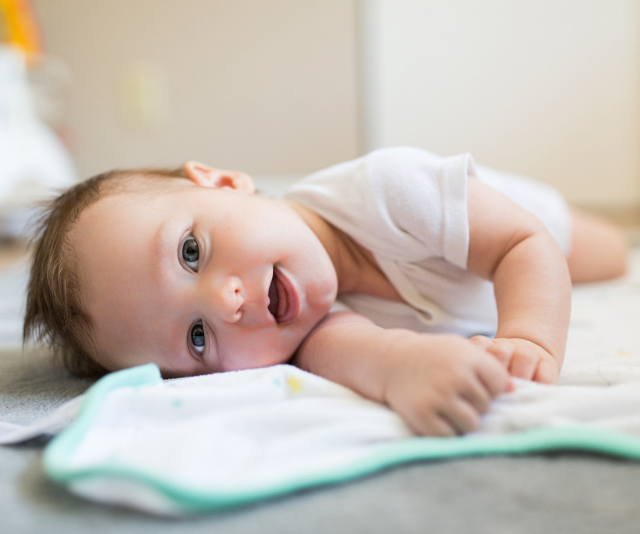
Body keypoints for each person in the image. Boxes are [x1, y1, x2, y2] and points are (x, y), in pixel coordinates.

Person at [23, 147, 628, 436]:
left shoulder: (392, 192)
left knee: (608, 256)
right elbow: (369, 356)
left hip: (518, 226)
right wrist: (409, 369)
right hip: (494, 266)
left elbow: (523, 245)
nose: (226, 302)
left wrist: (526, 335)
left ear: (228, 182)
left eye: (190, 253)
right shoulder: (303, 329)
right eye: (198, 337)